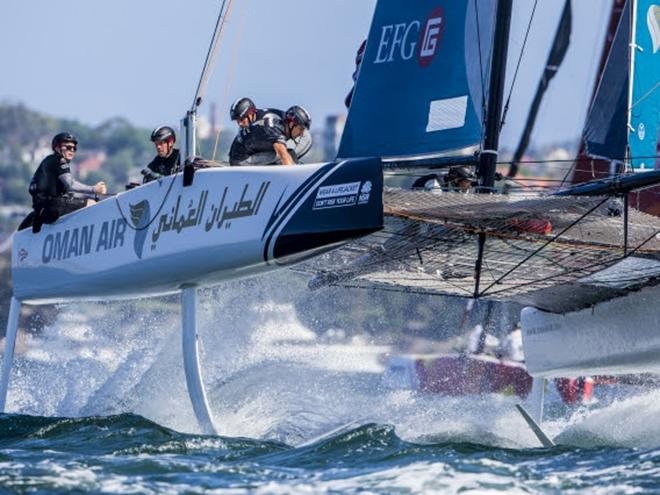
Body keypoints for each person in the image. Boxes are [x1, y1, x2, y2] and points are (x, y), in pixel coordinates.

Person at [25, 132, 106, 231]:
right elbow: (71, 185)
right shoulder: (59, 160)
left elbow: (68, 193)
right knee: (91, 204)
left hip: (43, 210)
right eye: (67, 147)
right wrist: (94, 189)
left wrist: (92, 195)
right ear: (57, 148)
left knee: (89, 200)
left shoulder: (49, 161)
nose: (71, 150)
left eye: (74, 148)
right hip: (53, 207)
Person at [228, 97, 312, 166]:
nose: (239, 124)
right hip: (240, 162)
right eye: (237, 120)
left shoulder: (274, 118)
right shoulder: (268, 127)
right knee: (287, 153)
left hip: (252, 150)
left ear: (251, 113)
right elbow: (282, 154)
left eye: (242, 119)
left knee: (306, 136)